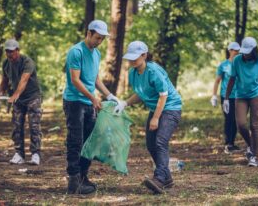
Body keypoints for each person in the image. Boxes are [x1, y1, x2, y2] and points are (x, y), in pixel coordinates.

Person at [114, 41, 182, 194]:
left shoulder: (153, 71)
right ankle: (167, 178)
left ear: (144, 55)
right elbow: (141, 93)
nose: (132, 61)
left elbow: (163, 95)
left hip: (171, 107)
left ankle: (159, 179)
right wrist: (125, 103)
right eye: (130, 58)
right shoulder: (133, 73)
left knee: (160, 142)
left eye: (135, 57)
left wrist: (155, 118)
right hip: (157, 108)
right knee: (151, 144)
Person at [63, 20, 120, 195]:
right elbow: (75, 80)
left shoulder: (97, 54)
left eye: (102, 39)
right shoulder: (76, 51)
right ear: (89, 33)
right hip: (75, 102)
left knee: (90, 142)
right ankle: (73, 181)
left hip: (89, 103)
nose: (99, 42)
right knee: (76, 141)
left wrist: (109, 95)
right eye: (97, 38)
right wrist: (92, 98)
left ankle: (82, 176)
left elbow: (95, 80)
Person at [224, 37, 258, 167]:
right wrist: (226, 98)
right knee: (240, 124)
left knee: (254, 125)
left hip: (256, 95)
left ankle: (254, 157)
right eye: (244, 51)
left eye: (248, 52)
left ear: (254, 50)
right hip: (241, 96)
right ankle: (252, 146)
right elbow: (232, 79)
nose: (245, 54)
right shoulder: (237, 61)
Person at [0, 39, 42, 165]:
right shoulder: (6, 63)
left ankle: (35, 154)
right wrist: (1, 91)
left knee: (34, 126)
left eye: (11, 51)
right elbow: (5, 79)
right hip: (18, 99)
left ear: (17, 50)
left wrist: (15, 95)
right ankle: (19, 154)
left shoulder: (27, 62)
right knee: (17, 126)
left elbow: (24, 80)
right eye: (7, 51)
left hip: (32, 97)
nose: (9, 54)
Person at [211, 42, 241, 154]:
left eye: (238, 50)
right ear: (230, 50)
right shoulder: (223, 65)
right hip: (226, 96)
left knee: (237, 120)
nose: (237, 52)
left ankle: (232, 143)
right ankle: (228, 144)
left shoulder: (240, 64)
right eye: (235, 50)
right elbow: (217, 81)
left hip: (239, 96)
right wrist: (214, 96)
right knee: (229, 119)